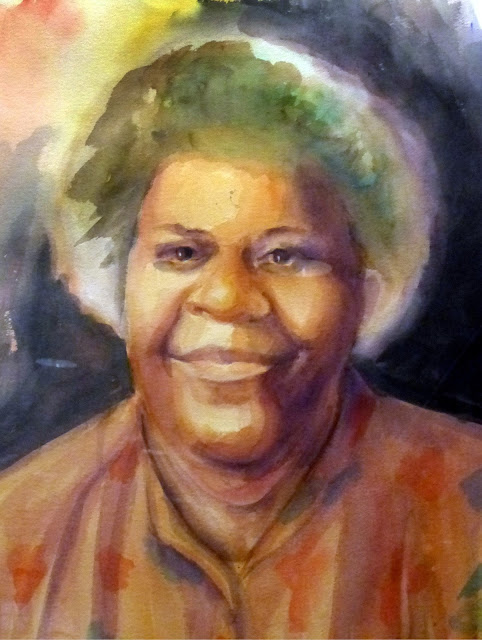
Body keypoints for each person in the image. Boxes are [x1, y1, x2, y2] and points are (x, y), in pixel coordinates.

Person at [0, 27, 480, 640]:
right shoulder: (19, 534)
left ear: (365, 286)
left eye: (285, 256)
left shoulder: (467, 509)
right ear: (115, 278)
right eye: (182, 253)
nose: (227, 299)